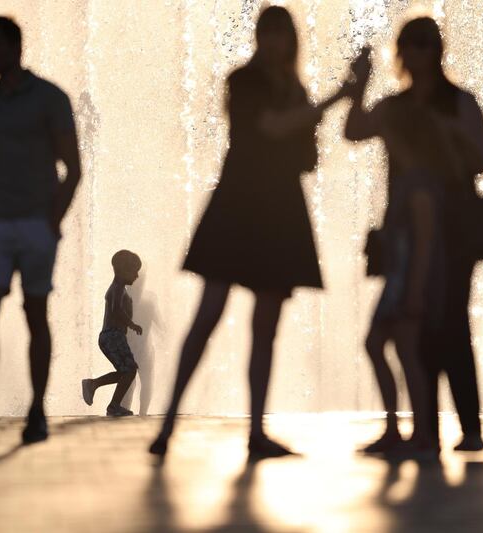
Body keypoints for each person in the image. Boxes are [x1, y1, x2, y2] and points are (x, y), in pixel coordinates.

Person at [149, 6, 349, 459]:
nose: (276, 41)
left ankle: (256, 431)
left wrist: (319, 115)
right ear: (259, 37)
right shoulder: (243, 81)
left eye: (282, 33)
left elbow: (305, 157)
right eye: (269, 32)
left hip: (277, 208)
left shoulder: (293, 88)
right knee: (209, 315)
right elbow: (269, 127)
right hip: (241, 204)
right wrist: (334, 99)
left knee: (265, 327)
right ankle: (166, 425)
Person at [345, 17, 483, 455]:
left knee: (449, 323)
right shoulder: (397, 105)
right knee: (414, 330)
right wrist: (358, 88)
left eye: (427, 43)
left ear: (439, 50)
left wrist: (446, 133)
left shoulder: (459, 103)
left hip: (454, 229)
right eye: (412, 44)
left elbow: (482, 160)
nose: (420, 52)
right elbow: (354, 132)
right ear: (401, 51)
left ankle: (466, 428)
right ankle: (424, 431)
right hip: (406, 232)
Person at [0, 16, 81, 443]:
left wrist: (53, 220)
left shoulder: (51, 98)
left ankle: (37, 408)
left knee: (36, 313)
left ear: (16, 46)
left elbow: (74, 168)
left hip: (35, 223)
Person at [81, 250, 143, 417]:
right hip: (112, 335)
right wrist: (132, 324)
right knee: (129, 370)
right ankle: (111, 403)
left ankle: (95, 387)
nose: (137, 275)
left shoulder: (120, 289)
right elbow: (116, 310)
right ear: (123, 270)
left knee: (126, 371)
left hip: (112, 336)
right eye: (134, 270)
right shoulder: (116, 289)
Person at [120, 269, 165, 416]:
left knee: (138, 383)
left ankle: (138, 414)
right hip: (136, 348)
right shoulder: (124, 296)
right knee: (139, 383)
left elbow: (159, 322)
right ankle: (138, 414)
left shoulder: (124, 296)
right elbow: (159, 323)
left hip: (139, 349)